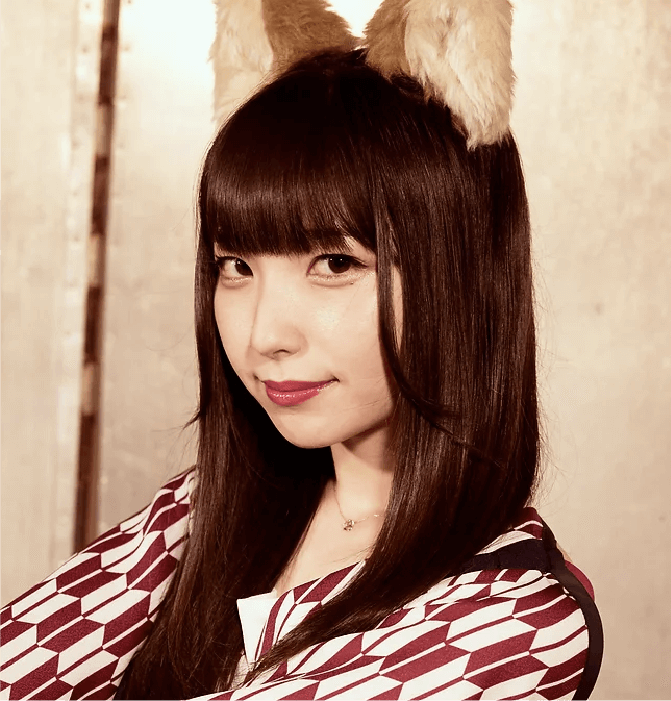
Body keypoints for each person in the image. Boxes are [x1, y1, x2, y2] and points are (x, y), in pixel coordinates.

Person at [0, 17, 602, 701]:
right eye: (236, 265)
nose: (263, 335)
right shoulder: (199, 513)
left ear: (461, 274)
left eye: (334, 263)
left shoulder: (517, 621)